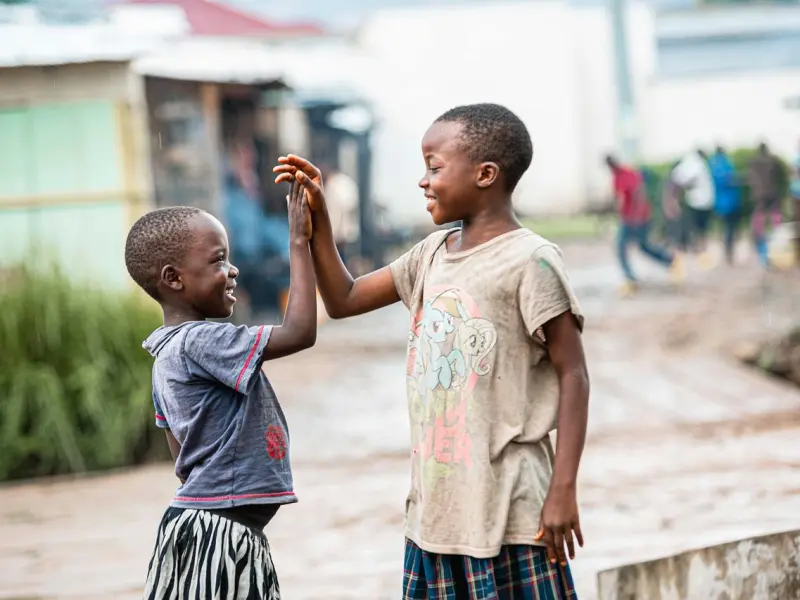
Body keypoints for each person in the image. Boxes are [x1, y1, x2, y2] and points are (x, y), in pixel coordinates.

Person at [274, 103, 586, 599]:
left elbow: (573, 375)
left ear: (486, 175)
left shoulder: (533, 261)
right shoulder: (431, 253)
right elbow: (345, 298)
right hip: (437, 514)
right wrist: (319, 223)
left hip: (513, 510)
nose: (423, 181)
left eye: (434, 168)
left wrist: (563, 489)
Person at [124, 175, 317, 600]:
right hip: (222, 539)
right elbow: (301, 331)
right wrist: (299, 243)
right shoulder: (202, 340)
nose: (232, 270)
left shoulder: (165, 355)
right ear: (174, 279)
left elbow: (182, 455)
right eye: (218, 261)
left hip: (200, 530)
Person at [605, 155, 683, 296]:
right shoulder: (616, 177)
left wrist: (635, 215)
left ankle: (670, 261)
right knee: (623, 247)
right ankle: (631, 278)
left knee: (643, 246)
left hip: (638, 217)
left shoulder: (628, 173)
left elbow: (638, 193)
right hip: (627, 218)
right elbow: (618, 198)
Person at [671, 148, 716, 266]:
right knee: (701, 229)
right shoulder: (700, 165)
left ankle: (700, 253)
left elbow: (682, 179)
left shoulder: (696, 165)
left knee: (697, 229)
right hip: (702, 202)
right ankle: (701, 252)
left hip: (698, 202)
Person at [748, 142, 786, 268]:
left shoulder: (753, 162)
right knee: (777, 227)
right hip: (773, 197)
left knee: (759, 229)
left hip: (759, 199)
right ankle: (778, 253)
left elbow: (750, 179)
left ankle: (763, 256)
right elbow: (781, 175)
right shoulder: (773, 161)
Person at [708, 146, 742, 265]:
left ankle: (726, 251)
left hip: (719, 203)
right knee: (730, 229)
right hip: (731, 202)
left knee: (724, 228)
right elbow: (730, 180)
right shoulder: (726, 164)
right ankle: (728, 252)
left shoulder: (711, 164)